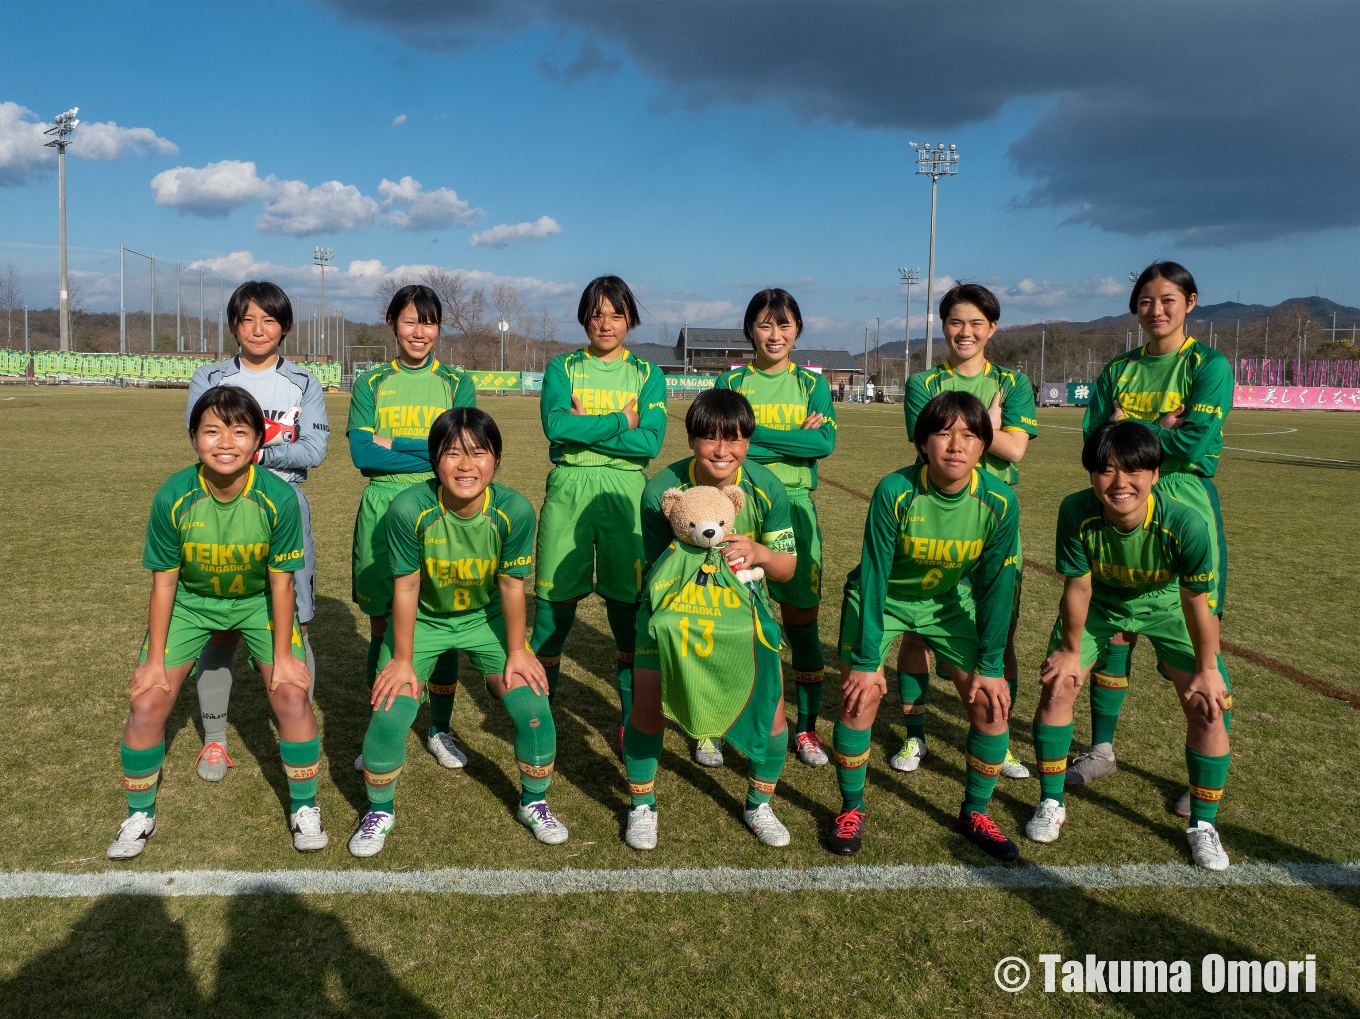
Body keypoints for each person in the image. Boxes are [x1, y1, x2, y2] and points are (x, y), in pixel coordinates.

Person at [108, 387, 326, 859]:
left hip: (256, 603)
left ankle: (305, 806)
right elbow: (165, 584)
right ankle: (139, 813)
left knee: (290, 695)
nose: (225, 442)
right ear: (193, 437)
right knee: (147, 702)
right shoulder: (173, 495)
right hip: (191, 602)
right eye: (212, 430)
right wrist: (152, 662)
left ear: (257, 440)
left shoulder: (278, 497)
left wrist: (286, 657)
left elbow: (282, 582)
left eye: (239, 431)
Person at [349, 408, 566, 855]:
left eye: (479, 452)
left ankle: (534, 802)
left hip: (484, 620)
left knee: (533, 706)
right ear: (433, 459)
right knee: (391, 710)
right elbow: (406, 586)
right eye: (452, 453)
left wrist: (518, 650)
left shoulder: (514, 509)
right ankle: (379, 809)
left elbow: (511, 584)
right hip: (424, 619)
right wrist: (403, 660)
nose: (466, 465)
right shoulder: (409, 507)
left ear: (497, 458)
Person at [1027, 421, 1232, 870]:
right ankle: (1050, 802)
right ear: (1091, 475)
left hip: (1166, 606)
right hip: (1100, 602)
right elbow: (1078, 587)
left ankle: (1203, 825)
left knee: (1208, 703)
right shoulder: (1075, 511)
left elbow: (1198, 601)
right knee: (1058, 685)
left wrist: (1208, 666)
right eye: (1105, 470)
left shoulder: (1185, 523)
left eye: (1133, 470)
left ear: (1155, 473)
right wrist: (1068, 650)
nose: (1120, 483)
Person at [1070, 262, 1232, 819]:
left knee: (1195, 638)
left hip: (1182, 501)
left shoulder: (1208, 365)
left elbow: (1195, 440)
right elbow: (1094, 443)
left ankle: (1202, 776)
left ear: (1191, 301)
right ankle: (1102, 749)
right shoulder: (1117, 368)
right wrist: (1159, 425)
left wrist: (1131, 429)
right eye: (1145, 301)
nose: (1156, 310)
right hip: (1117, 500)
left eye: (1167, 300)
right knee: (1112, 629)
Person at [831, 391, 1020, 860]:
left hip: (946, 603)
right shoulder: (895, 490)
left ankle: (974, 811)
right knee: (861, 696)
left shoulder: (999, 501)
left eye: (969, 435)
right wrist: (867, 659)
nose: (955, 445)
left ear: (983, 447)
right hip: (885, 599)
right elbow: (874, 574)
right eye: (943, 433)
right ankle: (850, 809)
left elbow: (996, 585)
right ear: (921, 444)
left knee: (991, 706)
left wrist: (992, 664)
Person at [625, 389, 798, 849]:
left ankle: (759, 803)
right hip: (671, 613)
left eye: (735, 438)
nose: (722, 450)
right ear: (691, 439)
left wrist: (758, 552)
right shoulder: (662, 490)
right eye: (710, 438)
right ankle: (642, 805)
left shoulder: (766, 487)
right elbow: (655, 572)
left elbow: (787, 567)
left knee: (773, 716)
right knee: (647, 707)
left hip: (745, 618)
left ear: (748, 440)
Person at [184, 281, 329, 783]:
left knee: (296, 624)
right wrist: (252, 451)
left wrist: (255, 452)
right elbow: (200, 442)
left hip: (285, 503)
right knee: (219, 626)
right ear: (234, 326)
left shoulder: (304, 383)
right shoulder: (210, 377)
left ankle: (290, 725)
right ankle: (216, 740)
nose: (258, 329)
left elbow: (312, 452)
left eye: (269, 319)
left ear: (284, 326)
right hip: (220, 508)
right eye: (247, 320)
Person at [898, 284, 1036, 781]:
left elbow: (1017, 451)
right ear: (943, 326)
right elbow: (924, 448)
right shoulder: (923, 383)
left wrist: (980, 430)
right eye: (957, 322)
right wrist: (990, 427)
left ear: (992, 328)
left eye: (977, 323)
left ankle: (1001, 739)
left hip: (995, 520)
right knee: (917, 627)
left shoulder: (1014, 382)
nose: (966, 332)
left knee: (1003, 632)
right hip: (936, 515)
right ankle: (916, 736)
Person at [529, 276, 667, 750]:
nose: (605, 323)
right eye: (596, 313)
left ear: (631, 318)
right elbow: (555, 425)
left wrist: (584, 426)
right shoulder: (562, 367)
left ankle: (630, 720)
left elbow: (649, 440)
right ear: (584, 316)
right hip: (569, 486)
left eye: (616, 314)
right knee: (551, 612)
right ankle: (540, 716)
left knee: (627, 614)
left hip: (627, 491)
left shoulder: (647, 373)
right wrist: (619, 421)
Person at [348, 285, 477, 774]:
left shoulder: (456, 383)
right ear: (392, 325)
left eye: (428, 322)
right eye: (409, 322)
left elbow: (460, 452)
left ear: (439, 327)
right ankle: (381, 728)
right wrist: (429, 447)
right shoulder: (372, 382)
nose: (419, 332)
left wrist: (392, 440)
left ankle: (439, 730)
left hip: (440, 504)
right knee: (383, 623)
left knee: (442, 624)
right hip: (383, 505)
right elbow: (363, 454)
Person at [715, 289, 836, 768]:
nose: (775, 335)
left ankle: (805, 730)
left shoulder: (812, 384)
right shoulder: (732, 378)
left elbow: (824, 442)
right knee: (731, 620)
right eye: (765, 325)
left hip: (797, 506)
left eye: (784, 325)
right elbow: (723, 439)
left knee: (801, 621)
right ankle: (721, 722)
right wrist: (794, 440)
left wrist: (754, 434)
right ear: (750, 330)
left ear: (797, 330)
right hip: (739, 501)